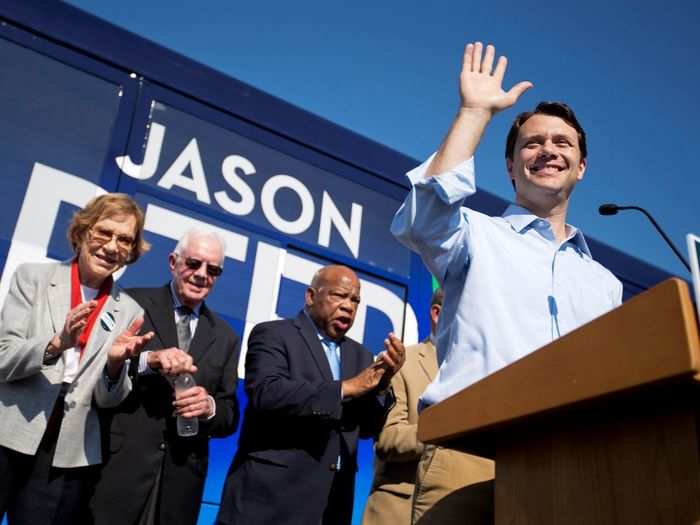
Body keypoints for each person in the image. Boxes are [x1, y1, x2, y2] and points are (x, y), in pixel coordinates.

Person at [391, 42, 623, 523]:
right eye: (532, 143)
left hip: (574, 472)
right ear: (511, 167)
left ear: (581, 167)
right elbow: (423, 219)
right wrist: (475, 114)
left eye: (563, 143)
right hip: (472, 457)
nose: (547, 150)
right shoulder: (476, 234)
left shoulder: (606, 284)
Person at [0, 193, 153, 525]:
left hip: (64, 454)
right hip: (8, 430)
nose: (112, 247)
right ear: (83, 231)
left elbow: (109, 399)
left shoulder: (129, 311)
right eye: (104, 233)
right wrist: (57, 343)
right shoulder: (33, 279)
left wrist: (114, 365)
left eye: (125, 239)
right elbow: (3, 359)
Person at [216, 264, 406, 525]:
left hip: (331, 506)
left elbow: (364, 430)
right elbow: (266, 393)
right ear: (310, 296)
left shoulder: (361, 355)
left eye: (355, 300)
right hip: (269, 501)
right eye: (339, 295)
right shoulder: (273, 334)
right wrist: (345, 388)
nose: (349, 306)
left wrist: (382, 385)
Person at [90, 229, 241, 525]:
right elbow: (99, 369)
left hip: (181, 481)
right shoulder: (132, 303)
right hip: (120, 467)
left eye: (213, 270)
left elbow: (229, 413)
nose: (201, 275)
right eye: (194, 263)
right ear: (173, 262)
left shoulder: (225, 337)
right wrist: (149, 361)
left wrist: (208, 407)